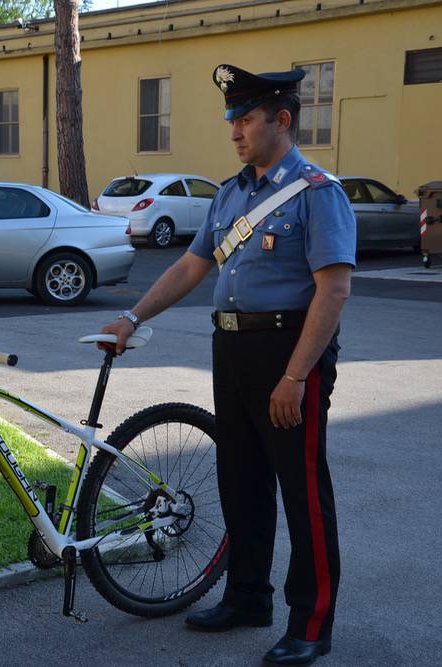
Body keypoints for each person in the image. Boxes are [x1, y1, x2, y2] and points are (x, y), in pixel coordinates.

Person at [100, 64, 355, 666]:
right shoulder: (233, 193)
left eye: (245, 120)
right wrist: (131, 317)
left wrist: (294, 377)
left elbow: (333, 291)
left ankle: (311, 623)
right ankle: (247, 597)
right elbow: (191, 268)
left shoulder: (320, 192)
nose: (235, 132)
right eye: (232, 121)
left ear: (282, 120)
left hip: (289, 352)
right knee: (241, 481)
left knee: (303, 492)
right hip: (233, 347)